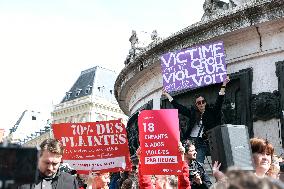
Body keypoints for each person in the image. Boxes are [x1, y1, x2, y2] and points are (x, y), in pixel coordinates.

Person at [163, 77, 230, 163]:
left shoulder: (211, 112)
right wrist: (167, 94)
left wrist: (224, 84)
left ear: (205, 102)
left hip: (202, 142)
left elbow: (219, 100)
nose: (201, 104)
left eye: (203, 102)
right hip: (190, 141)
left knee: (199, 164)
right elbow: (179, 107)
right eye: (199, 103)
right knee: (185, 163)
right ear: (196, 105)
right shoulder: (193, 113)